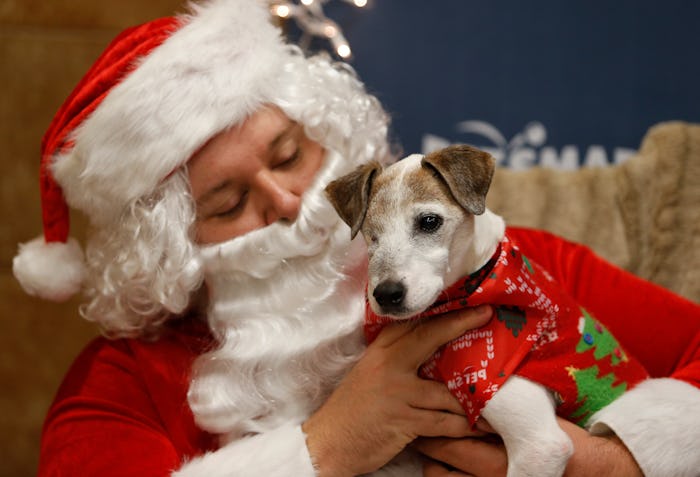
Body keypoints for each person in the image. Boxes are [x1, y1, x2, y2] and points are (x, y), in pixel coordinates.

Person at [12, 1, 699, 476]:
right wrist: (327, 445)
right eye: (229, 201)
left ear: (328, 135)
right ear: (172, 247)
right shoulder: (122, 384)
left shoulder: (505, 268)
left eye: (288, 156)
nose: (287, 202)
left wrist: (613, 461)